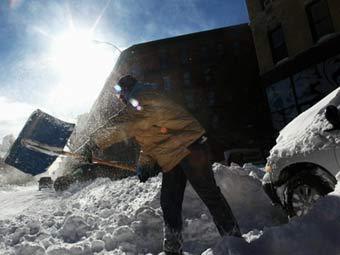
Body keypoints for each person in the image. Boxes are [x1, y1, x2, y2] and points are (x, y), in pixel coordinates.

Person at [82, 75, 241, 254]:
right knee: (169, 202)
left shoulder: (141, 96)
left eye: (120, 95)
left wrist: (93, 143)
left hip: (190, 147)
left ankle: (234, 240)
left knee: (209, 194)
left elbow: (125, 124)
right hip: (173, 154)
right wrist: (145, 165)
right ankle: (173, 248)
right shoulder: (141, 103)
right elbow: (151, 140)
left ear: (127, 89)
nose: (120, 100)